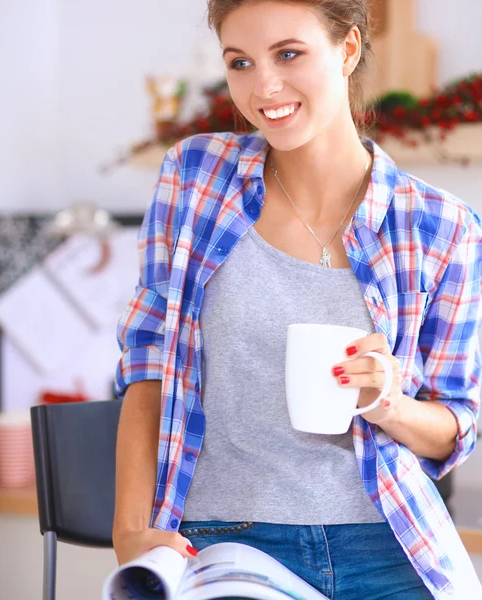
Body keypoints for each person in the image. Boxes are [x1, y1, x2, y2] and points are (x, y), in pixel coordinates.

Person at [112, 1, 482, 598]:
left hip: (388, 541)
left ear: (348, 48)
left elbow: (455, 425)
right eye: (240, 62)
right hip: (226, 537)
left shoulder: (443, 227)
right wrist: (130, 529)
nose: (264, 87)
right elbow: (148, 366)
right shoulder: (194, 178)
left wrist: (388, 403)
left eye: (289, 53)